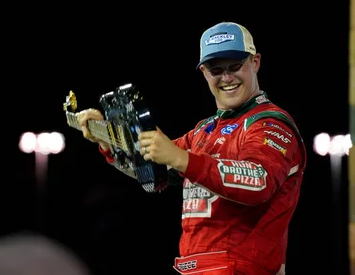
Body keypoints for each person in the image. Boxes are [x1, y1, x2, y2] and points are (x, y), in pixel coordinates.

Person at [78, 21, 306, 275]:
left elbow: (258, 181)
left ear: (255, 62)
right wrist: (109, 142)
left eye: (235, 66)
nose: (226, 77)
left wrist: (182, 158)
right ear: (204, 73)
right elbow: (152, 170)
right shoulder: (203, 131)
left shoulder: (270, 124)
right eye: (215, 69)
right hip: (192, 267)